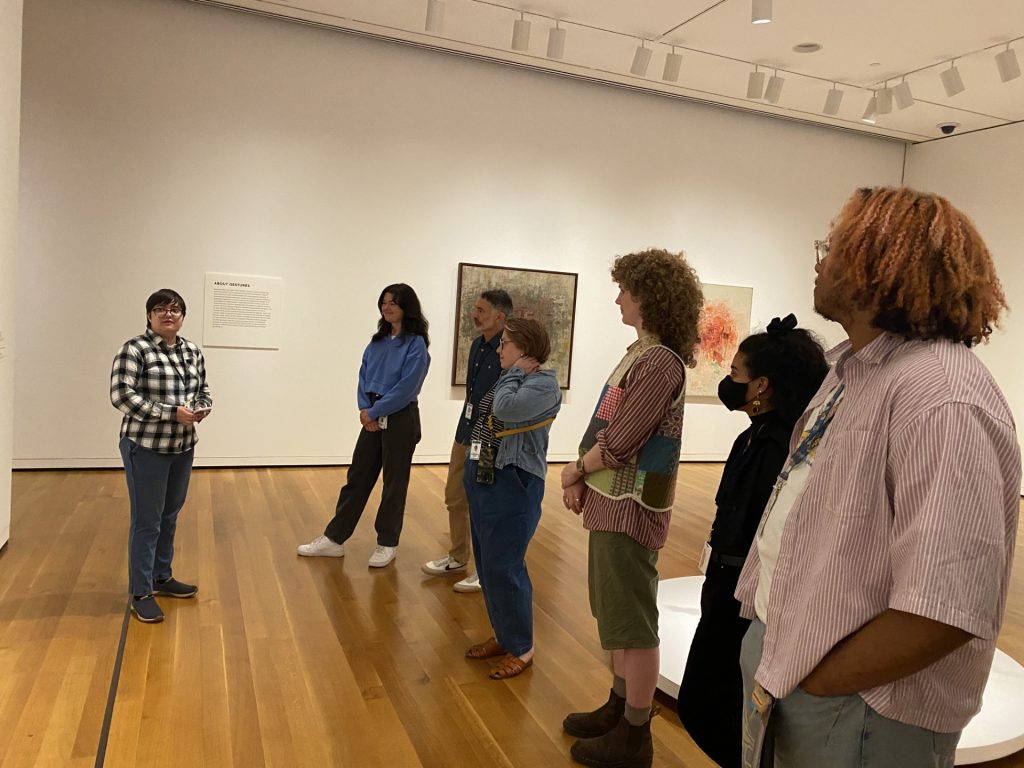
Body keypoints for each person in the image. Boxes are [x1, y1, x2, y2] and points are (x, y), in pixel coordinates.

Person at [736, 187, 1021, 768]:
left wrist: (824, 680)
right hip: (805, 673)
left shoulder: (940, 396)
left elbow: (946, 604)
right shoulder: (852, 368)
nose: (819, 259)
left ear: (880, 263)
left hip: (864, 706)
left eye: (833, 246)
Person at [560, 248, 703, 768]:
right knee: (615, 613)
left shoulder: (659, 362)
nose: (618, 297)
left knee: (632, 619)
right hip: (612, 499)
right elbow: (604, 425)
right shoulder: (638, 354)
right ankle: (619, 708)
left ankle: (635, 733)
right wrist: (581, 473)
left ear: (647, 296)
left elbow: (621, 439)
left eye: (625, 289)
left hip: (632, 505)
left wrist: (577, 470)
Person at [678, 315, 828, 768]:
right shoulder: (756, 437)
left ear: (761, 385)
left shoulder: (778, 446)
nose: (729, 381)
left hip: (741, 595)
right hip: (727, 582)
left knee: (708, 705)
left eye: (736, 374)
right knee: (711, 703)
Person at [298, 284, 430, 568]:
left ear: (407, 307)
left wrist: (375, 411)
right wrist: (365, 409)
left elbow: (407, 388)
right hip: (372, 415)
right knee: (357, 478)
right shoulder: (377, 341)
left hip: (400, 419)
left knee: (394, 484)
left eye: (394, 303)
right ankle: (334, 539)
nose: (387, 307)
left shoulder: (415, 344)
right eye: (384, 302)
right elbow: (364, 374)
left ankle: (387, 543)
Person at [462, 318, 561, 680]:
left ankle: (522, 647)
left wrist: (514, 374)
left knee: (506, 567)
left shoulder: (544, 385)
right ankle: (504, 636)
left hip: (514, 481)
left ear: (525, 348)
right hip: (486, 476)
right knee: (489, 566)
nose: (499, 349)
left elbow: (503, 410)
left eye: (506, 344)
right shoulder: (515, 378)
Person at [110, 288, 212, 624]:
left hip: (182, 447)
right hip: (146, 447)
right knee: (147, 522)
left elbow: (202, 390)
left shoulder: (192, 351)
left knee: (169, 516)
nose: (169, 314)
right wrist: (171, 413)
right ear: (149, 316)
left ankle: (162, 577)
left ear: (183, 315)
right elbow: (122, 396)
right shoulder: (135, 349)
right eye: (160, 309)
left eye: (175, 309)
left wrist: (201, 407)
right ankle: (141, 592)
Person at [422, 289, 512, 593]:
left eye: (481, 310)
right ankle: (458, 557)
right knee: (454, 495)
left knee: (484, 503)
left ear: (500, 316)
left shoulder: (510, 350)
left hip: (490, 440)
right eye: (475, 308)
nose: (475, 314)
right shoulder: (476, 345)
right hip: (465, 433)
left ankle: (484, 571)